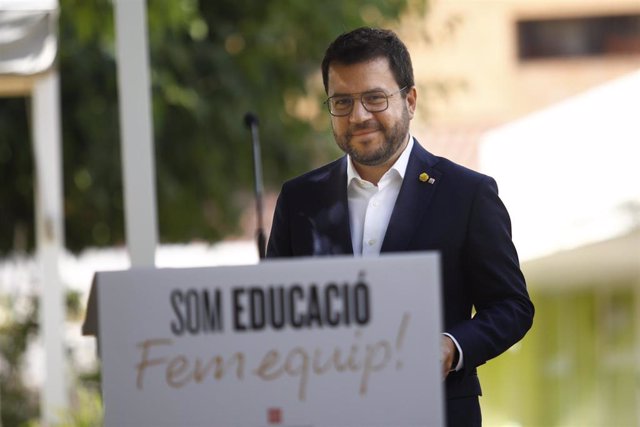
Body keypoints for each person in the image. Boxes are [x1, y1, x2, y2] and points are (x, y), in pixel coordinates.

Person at [266, 27, 534, 427]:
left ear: (410, 100)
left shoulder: (467, 194)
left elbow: (512, 308)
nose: (358, 116)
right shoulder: (299, 199)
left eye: (375, 98)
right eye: (342, 102)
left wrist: (451, 347)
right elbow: (274, 311)